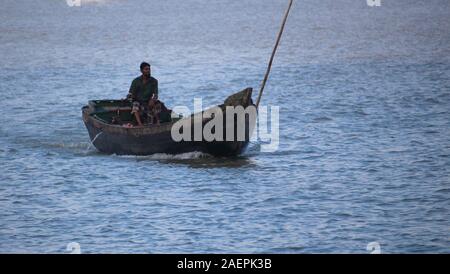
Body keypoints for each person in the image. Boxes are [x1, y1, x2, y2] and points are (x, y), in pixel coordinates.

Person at [127, 62, 158, 126]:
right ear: (141, 70)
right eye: (146, 69)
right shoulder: (136, 81)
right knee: (135, 105)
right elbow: (131, 94)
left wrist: (153, 99)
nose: (148, 71)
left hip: (148, 101)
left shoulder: (154, 81)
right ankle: (140, 124)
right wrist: (130, 98)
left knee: (158, 105)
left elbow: (156, 94)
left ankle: (156, 122)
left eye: (149, 69)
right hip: (137, 101)